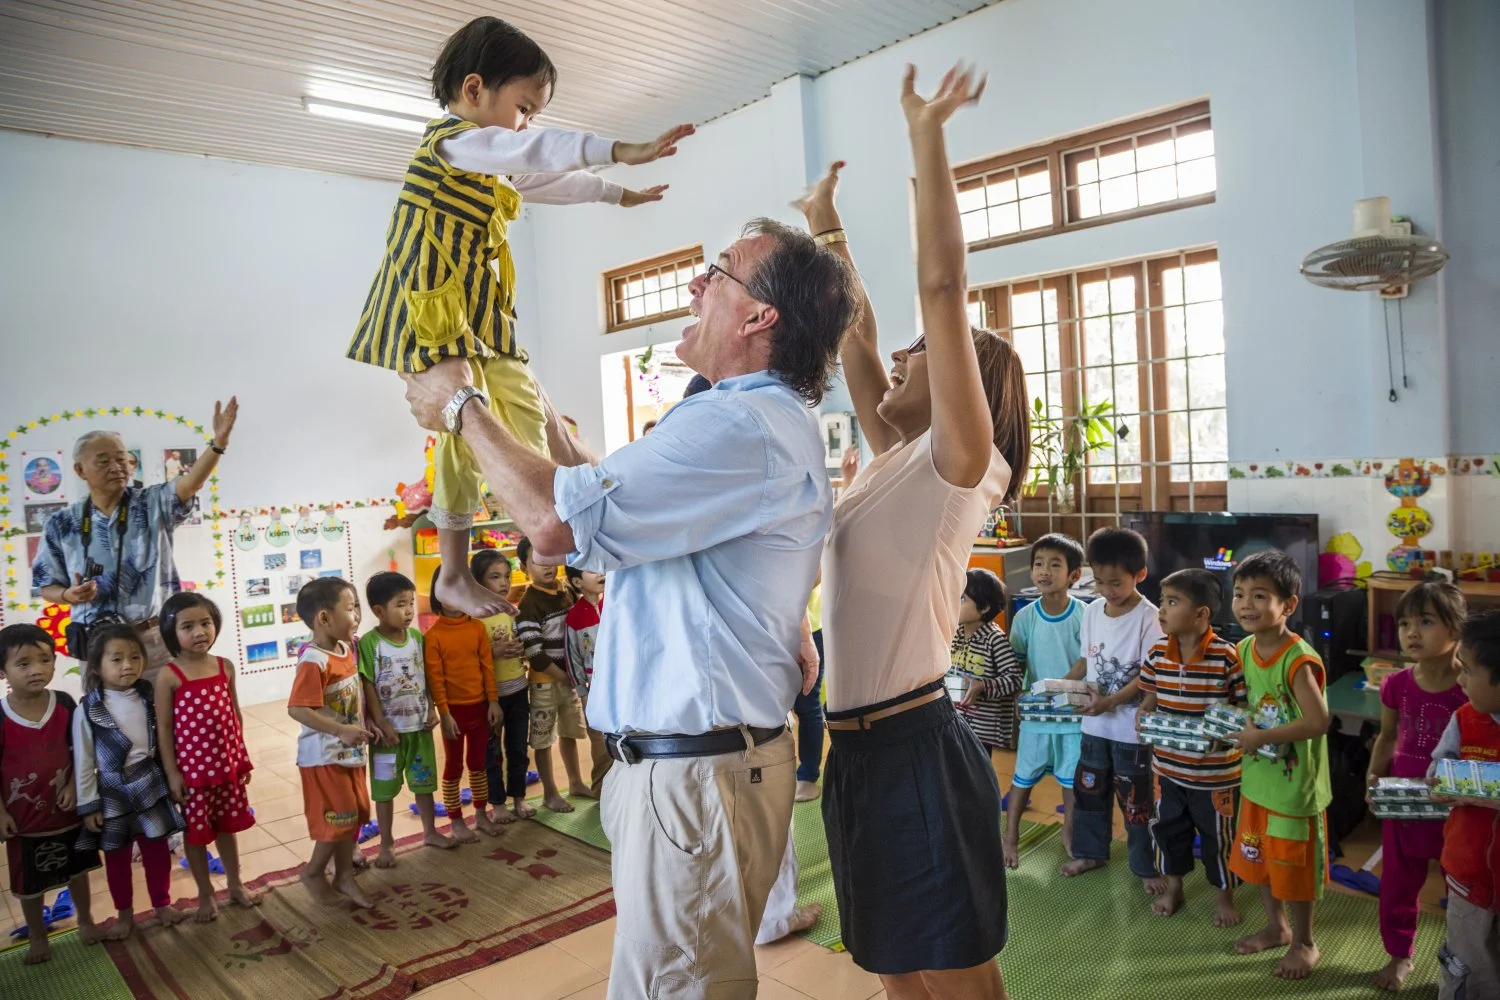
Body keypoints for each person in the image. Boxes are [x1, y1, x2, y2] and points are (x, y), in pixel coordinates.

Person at [401, 202, 857, 995]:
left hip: (696, 778)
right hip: (692, 772)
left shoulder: (739, 426)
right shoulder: (737, 419)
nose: (692, 285)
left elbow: (552, 523)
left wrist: (460, 408)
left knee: (671, 987)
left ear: (760, 314)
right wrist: (525, 399)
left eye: (714, 272)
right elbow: (606, 500)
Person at [801, 63, 1028, 998]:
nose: (901, 353)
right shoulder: (894, 454)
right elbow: (858, 334)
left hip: (917, 747)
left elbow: (943, 284)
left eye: (923, 351)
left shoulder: (960, 464)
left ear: (967, 380)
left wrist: (926, 132)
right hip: (850, 752)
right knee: (890, 967)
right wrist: (824, 224)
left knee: (957, 977)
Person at [347, 15, 692, 621]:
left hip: (480, 311)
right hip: (432, 303)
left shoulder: (491, 159)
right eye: (525, 106)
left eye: (534, 112)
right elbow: (527, 149)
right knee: (460, 424)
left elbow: (538, 177)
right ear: (475, 90)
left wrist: (615, 193)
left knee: (519, 418)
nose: (528, 122)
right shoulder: (453, 143)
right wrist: (621, 151)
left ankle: (537, 522)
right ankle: (454, 571)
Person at [33, 401, 239, 667]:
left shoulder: (152, 503)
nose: (116, 466)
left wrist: (218, 443)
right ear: (80, 470)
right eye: (103, 460)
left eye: (122, 459)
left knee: (164, 708)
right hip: (99, 647)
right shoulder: (61, 523)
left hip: (156, 640)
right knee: (107, 711)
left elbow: (190, 483)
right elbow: (46, 586)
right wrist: (68, 595)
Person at [1227, 550, 1332, 980]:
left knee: (1294, 868)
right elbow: (1248, 705)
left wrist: (1261, 737)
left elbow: (1318, 721)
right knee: (1261, 859)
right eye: (1238, 594)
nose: (1246, 604)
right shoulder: (1244, 648)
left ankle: (1305, 942)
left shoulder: (1297, 659)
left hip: (1294, 790)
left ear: (1287, 605)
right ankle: (1276, 926)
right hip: (1257, 779)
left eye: (1259, 595)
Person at [1365, 579, 1468, 990]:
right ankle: (1399, 955)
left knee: (1461, 889)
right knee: (1397, 883)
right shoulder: (1396, 684)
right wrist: (1374, 778)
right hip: (1404, 800)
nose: (1411, 632)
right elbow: (1388, 737)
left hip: (1457, 807)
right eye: (1405, 622)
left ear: (1456, 629)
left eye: (1425, 622)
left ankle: (1463, 959)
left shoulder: (1472, 686)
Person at [1137, 568, 1246, 924]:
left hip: (1216, 776)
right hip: (1167, 769)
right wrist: (1142, 713)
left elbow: (1241, 709)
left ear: (1201, 614)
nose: (1162, 610)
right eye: (1162, 601)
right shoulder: (1156, 654)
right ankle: (1174, 887)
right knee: (1168, 832)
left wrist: (1222, 730)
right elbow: (1151, 698)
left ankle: (1224, 896)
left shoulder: (1227, 657)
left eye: (1172, 602)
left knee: (1219, 838)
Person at [1062, 526, 1165, 888]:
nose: (1108, 591)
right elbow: (1084, 662)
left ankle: (1145, 868)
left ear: (1139, 575)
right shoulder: (1091, 612)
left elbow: (1150, 676)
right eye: (1100, 582)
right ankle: (1090, 852)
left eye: (1116, 583)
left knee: (1136, 802)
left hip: (1129, 731)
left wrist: (1112, 701)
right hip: (1093, 727)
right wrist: (1062, 687)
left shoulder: (1150, 618)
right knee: (1089, 791)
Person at [73, 624, 188, 937]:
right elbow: (83, 760)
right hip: (112, 791)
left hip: (150, 782)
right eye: (117, 659)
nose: (127, 665)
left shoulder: (149, 695)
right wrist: (89, 804)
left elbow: (166, 738)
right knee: (117, 857)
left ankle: (162, 904)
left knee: (156, 850)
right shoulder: (88, 708)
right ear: (97, 666)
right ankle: (125, 915)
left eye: (135, 657)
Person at [153, 592, 260, 922]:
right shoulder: (169, 675)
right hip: (193, 775)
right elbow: (165, 729)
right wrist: (173, 774)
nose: (199, 632)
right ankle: (205, 895)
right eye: (188, 626)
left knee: (227, 829)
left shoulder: (224, 666)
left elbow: (235, 715)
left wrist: (241, 758)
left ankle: (235, 884)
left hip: (226, 768)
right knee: (196, 836)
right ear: (172, 633)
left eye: (206, 623)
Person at [0, 624, 101, 962]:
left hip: (68, 815)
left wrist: (74, 786)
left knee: (78, 872)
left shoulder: (65, 704)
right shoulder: (0, 716)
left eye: (45, 660)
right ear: (3, 672)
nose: (37, 670)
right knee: (29, 885)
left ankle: (85, 921)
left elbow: (81, 752)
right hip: (24, 822)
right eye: (24, 663)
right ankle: (38, 938)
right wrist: (0, 812)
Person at [356, 571, 455, 866]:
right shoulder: (369, 644)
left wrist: (433, 709)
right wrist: (382, 723)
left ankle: (430, 832)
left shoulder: (416, 638)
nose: (409, 610)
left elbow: (429, 677)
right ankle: (386, 844)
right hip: (387, 737)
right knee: (384, 792)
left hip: (419, 729)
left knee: (424, 785)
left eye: (411, 602)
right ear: (378, 611)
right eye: (400, 604)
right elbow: (368, 684)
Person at [287, 577, 373, 909]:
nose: (357, 616)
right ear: (324, 618)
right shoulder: (314, 660)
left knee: (353, 815)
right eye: (351, 609)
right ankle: (313, 872)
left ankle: (344, 876)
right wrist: (339, 731)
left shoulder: (345, 648)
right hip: (323, 756)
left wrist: (364, 726)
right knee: (338, 817)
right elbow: (298, 708)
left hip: (348, 751)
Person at [1428, 610, 1500, 1000]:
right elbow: (1438, 769)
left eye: (1468, 670)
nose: (1460, 679)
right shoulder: (1465, 719)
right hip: (1468, 878)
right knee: (1467, 967)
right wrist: (1439, 783)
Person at [1003, 533, 1085, 867]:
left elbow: (1088, 662)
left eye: (1055, 565)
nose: (1044, 571)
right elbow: (1017, 664)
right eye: (1038, 564)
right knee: (1023, 775)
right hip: (1036, 715)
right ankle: (1010, 837)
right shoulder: (1025, 617)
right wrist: (1018, 704)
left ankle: (1070, 832)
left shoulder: (1084, 614)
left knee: (1071, 778)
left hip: (1073, 714)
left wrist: (1063, 687)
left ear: (1074, 575)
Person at [424, 564, 502, 840]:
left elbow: (487, 667)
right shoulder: (433, 636)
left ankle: (481, 815)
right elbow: (436, 680)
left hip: (480, 709)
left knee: (478, 762)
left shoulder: (478, 628)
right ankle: (456, 821)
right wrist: (444, 714)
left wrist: (493, 702)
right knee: (454, 766)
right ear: (438, 593)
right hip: (453, 713)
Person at [516, 536, 589, 811]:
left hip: (568, 679)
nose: (546, 566)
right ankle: (549, 792)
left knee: (570, 733)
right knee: (543, 739)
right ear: (524, 568)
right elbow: (534, 653)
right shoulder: (528, 604)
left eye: (549, 558)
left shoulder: (566, 591)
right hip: (546, 683)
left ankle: (575, 782)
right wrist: (564, 676)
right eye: (536, 561)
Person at [472, 550, 535, 824]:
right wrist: (493, 651)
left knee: (519, 748)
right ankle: (497, 803)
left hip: (518, 690)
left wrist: (520, 648)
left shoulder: (512, 612)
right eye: (495, 577)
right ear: (477, 582)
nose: (504, 583)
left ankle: (519, 798)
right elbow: (471, 658)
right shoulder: (474, 617)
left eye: (507, 577)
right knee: (492, 752)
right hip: (491, 696)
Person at [949, 568, 1022, 753]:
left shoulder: (994, 639)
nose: (953, 604)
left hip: (981, 731)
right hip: (954, 723)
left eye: (962, 599)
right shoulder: (954, 634)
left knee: (977, 776)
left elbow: (1015, 679)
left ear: (984, 607)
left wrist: (982, 685)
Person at [563, 564, 612, 795]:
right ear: (577, 583)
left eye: (601, 567)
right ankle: (601, 790)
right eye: (592, 570)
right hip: (594, 691)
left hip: (619, 684)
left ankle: (623, 792)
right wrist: (582, 692)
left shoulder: (614, 604)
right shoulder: (574, 617)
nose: (600, 573)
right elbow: (572, 658)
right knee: (600, 743)